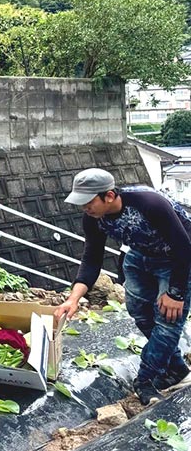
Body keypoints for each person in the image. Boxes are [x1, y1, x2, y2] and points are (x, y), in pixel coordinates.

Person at [55, 169, 191, 405]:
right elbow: (92, 259)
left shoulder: (149, 203)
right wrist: (73, 298)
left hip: (177, 259)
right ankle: (176, 368)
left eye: (88, 202)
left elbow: (184, 248)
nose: (84, 208)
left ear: (108, 196)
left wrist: (176, 293)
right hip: (140, 255)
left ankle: (146, 379)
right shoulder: (93, 218)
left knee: (168, 320)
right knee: (139, 311)